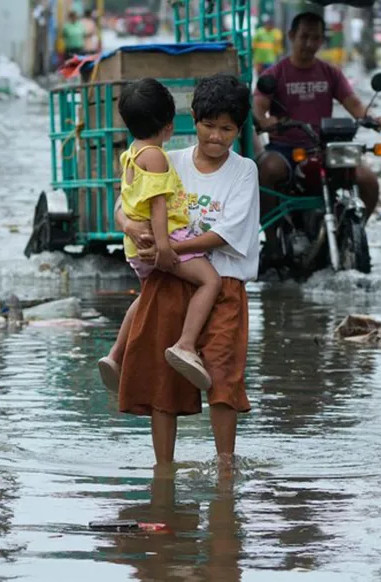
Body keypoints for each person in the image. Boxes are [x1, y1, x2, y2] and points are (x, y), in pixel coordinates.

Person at [113, 73, 258, 470]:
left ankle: (225, 466)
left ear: (239, 130)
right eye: (208, 126)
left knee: (222, 375)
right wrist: (131, 229)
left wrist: (168, 249)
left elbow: (225, 234)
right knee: (164, 380)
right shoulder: (167, 159)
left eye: (226, 129)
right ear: (192, 120)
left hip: (224, 283)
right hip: (170, 280)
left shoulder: (244, 171)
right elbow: (124, 204)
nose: (216, 137)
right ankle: (164, 469)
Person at [98, 78, 223, 392]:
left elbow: (128, 200)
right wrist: (166, 249)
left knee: (145, 298)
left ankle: (115, 356)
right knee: (210, 281)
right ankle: (186, 344)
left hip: (135, 246)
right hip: (163, 240)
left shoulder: (131, 153)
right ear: (169, 126)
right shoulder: (155, 156)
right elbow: (157, 206)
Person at [252, 12, 381, 221]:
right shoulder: (275, 74)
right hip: (286, 149)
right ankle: (272, 237)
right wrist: (264, 121)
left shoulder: (330, 73)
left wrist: (374, 119)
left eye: (316, 38)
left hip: (324, 148)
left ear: (321, 40)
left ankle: (354, 233)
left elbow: (354, 104)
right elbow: (258, 107)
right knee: (268, 170)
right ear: (291, 36)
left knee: (369, 181)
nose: (310, 44)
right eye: (304, 36)